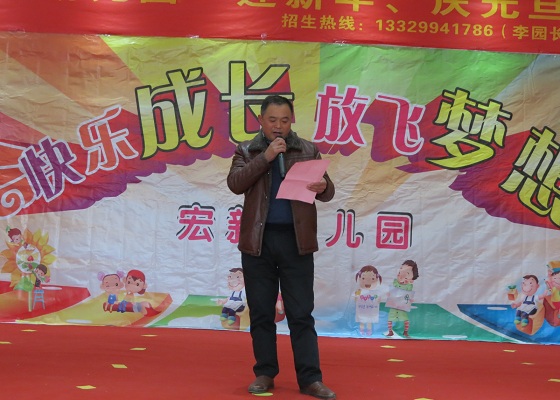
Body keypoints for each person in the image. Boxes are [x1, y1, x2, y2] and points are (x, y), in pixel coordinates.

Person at [227, 95, 336, 399]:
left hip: (296, 242)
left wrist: (324, 187)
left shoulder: (307, 150)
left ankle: (310, 379)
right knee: (262, 312)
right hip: (258, 243)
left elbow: (327, 190)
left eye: (284, 120)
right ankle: (264, 373)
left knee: (301, 313)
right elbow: (235, 183)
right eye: (272, 120)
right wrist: (266, 157)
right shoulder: (247, 150)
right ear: (261, 121)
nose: (278, 126)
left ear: (292, 121)